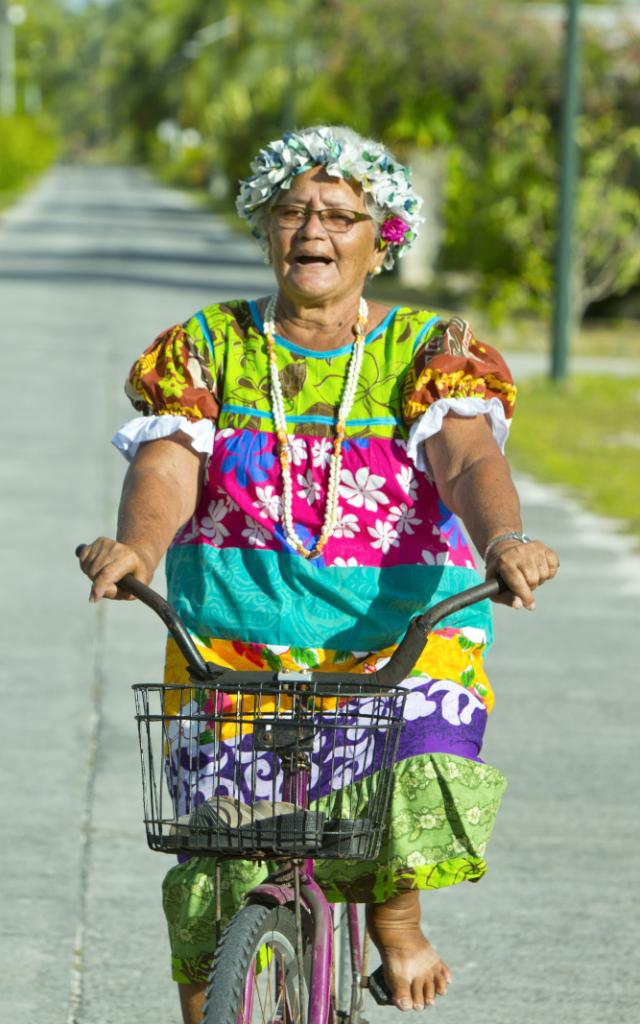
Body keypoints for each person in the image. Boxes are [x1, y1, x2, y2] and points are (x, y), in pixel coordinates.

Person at [78, 125, 559, 1022]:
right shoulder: (206, 346)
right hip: (233, 639)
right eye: (294, 211)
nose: (315, 230)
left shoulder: (429, 348)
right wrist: (136, 547)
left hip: (398, 644)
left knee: (417, 768)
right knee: (216, 872)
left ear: (383, 242)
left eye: (341, 214)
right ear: (264, 228)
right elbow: (169, 462)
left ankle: (398, 919)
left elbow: (466, 457)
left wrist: (503, 541)